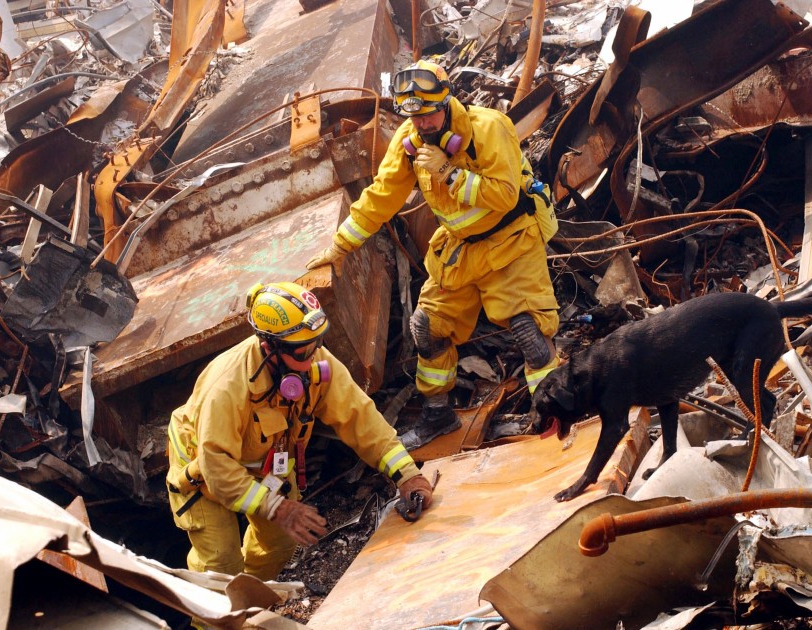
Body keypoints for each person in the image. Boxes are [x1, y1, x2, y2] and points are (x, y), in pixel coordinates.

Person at [305, 59, 561, 451]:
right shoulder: (409, 142)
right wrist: (340, 248)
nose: (422, 125)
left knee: (529, 330)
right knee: (427, 327)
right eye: (414, 117)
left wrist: (451, 174)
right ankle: (438, 415)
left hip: (511, 238)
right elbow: (380, 198)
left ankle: (555, 416)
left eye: (428, 115)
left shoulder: (488, 128)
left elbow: (505, 195)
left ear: (447, 102)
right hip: (460, 247)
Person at [166, 281, 432, 580]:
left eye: (318, 343)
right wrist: (278, 508)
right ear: (270, 348)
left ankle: (251, 607)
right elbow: (216, 465)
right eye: (303, 352)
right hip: (201, 469)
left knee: (278, 547)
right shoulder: (227, 388)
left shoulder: (315, 362)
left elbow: (362, 419)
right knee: (220, 569)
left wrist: (407, 474)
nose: (314, 359)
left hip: (263, 461)